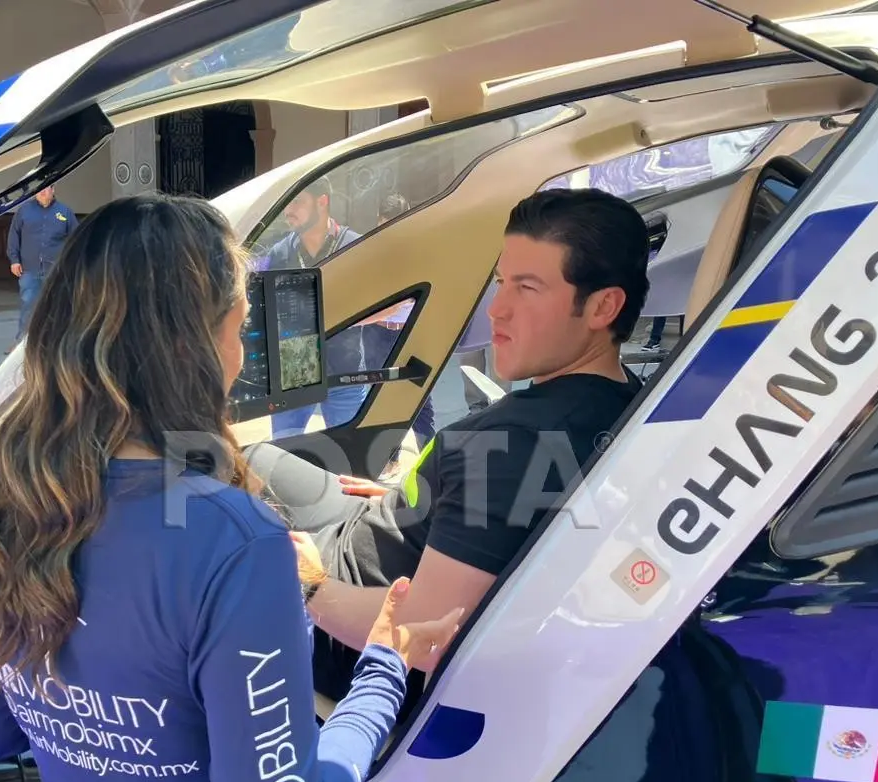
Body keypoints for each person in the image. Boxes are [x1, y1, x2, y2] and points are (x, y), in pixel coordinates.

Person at [0, 194, 462, 782]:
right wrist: (383, 672)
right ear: (193, 345)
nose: (242, 352)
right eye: (239, 325)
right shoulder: (236, 542)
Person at [245, 188, 650, 701]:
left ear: (602, 307)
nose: (497, 310)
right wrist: (433, 500)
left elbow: (423, 637)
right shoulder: (624, 402)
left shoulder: (513, 448)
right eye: (501, 283)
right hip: (391, 529)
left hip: (346, 623)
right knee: (254, 460)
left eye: (527, 288)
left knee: (211, 490)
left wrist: (306, 585)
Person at [256, 177, 368, 438]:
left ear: (322, 202)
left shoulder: (355, 246)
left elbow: (392, 304)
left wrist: (339, 317)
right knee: (284, 458)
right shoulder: (279, 253)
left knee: (351, 460)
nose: (288, 210)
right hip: (293, 373)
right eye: (287, 202)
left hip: (345, 372)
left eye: (297, 201)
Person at [359, 194, 436, 477]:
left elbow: (410, 299)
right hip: (377, 336)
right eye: (385, 224)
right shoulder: (369, 253)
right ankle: (388, 461)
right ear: (378, 221)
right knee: (381, 400)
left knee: (421, 401)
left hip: (411, 332)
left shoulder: (419, 250)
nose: (390, 231)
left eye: (396, 224)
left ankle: (430, 464)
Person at [6, 184, 77, 352]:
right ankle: (22, 344)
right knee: (28, 304)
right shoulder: (24, 211)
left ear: (54, 190)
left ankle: (55, 344)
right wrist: (14, 260)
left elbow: (76, 237)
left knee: (56, 306)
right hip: (29, 269)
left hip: (55, 270)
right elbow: (14, 236)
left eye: (47, 189)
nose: (43, 192)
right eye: (40, 189)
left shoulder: (64, 212)